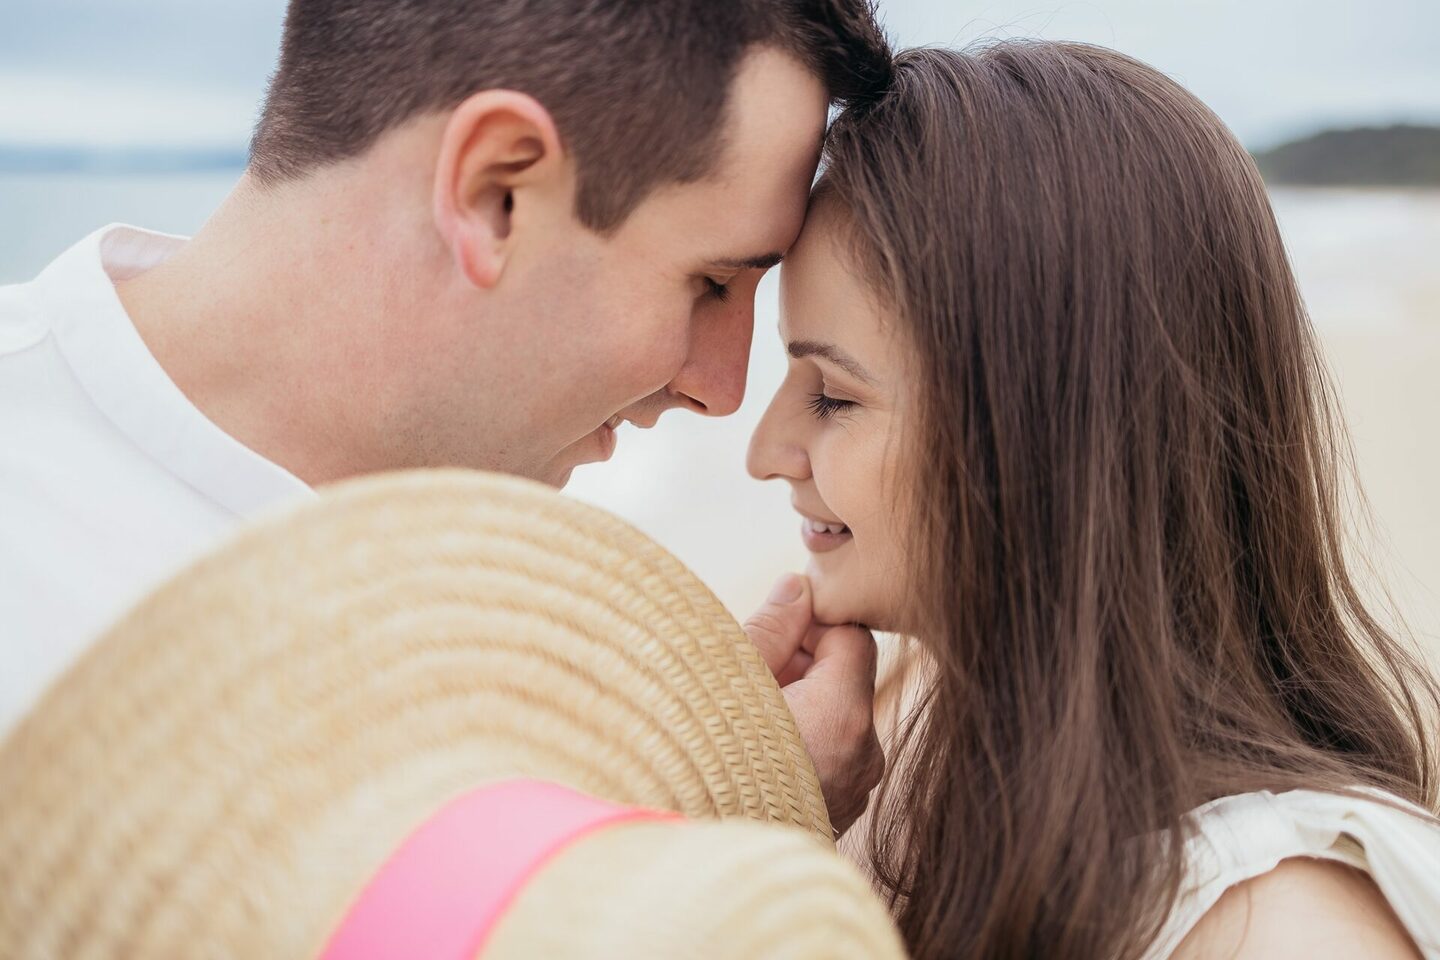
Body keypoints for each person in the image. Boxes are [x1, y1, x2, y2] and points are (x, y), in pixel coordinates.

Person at [0, 0, 892, 832]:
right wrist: (727, 850)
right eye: (711, 283)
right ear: (493, 190)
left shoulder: (557, 607)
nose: (722, 390)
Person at [747, 41, 1440, 959]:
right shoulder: (909, 739)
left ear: (1037, 421)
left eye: (833, 394)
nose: (764, 454)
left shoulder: (1276, 928)